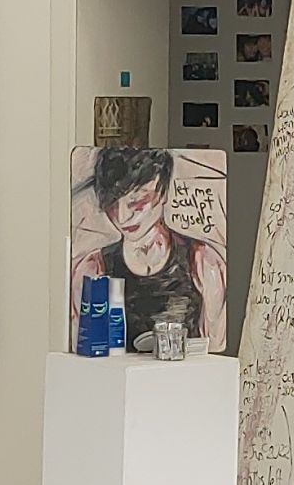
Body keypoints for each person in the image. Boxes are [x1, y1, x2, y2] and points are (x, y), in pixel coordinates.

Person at [75, 148, 225, 351]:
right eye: (112, 204)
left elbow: (214, 350)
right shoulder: (93, 270)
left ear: (163, 192)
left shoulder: (202, 262)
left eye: (136, 201)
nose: (122, 217)